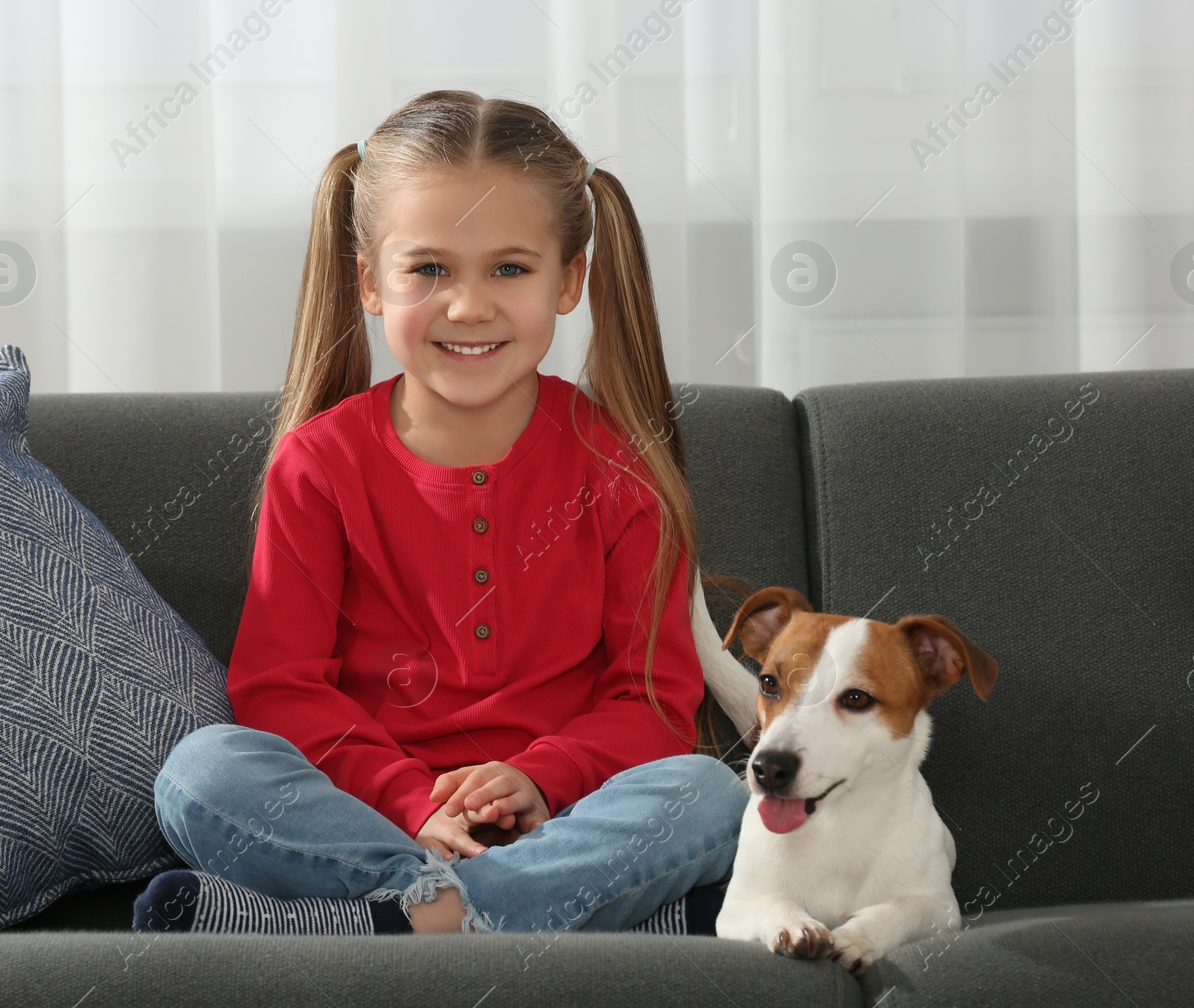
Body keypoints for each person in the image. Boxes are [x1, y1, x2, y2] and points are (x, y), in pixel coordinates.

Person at [132, 90, 755, 939]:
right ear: (370, 283)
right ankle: (486, 911)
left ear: (570, 279)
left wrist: (540, 777)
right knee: (198, 775)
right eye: (429, 269)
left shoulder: (619, 466)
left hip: (560, 816)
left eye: (509, 267)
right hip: (373, 815)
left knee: (709, 794)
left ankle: (414, 925)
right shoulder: (319, 463)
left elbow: (651, 698)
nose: (468, 306)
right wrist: (408, 798)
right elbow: (280, 691)